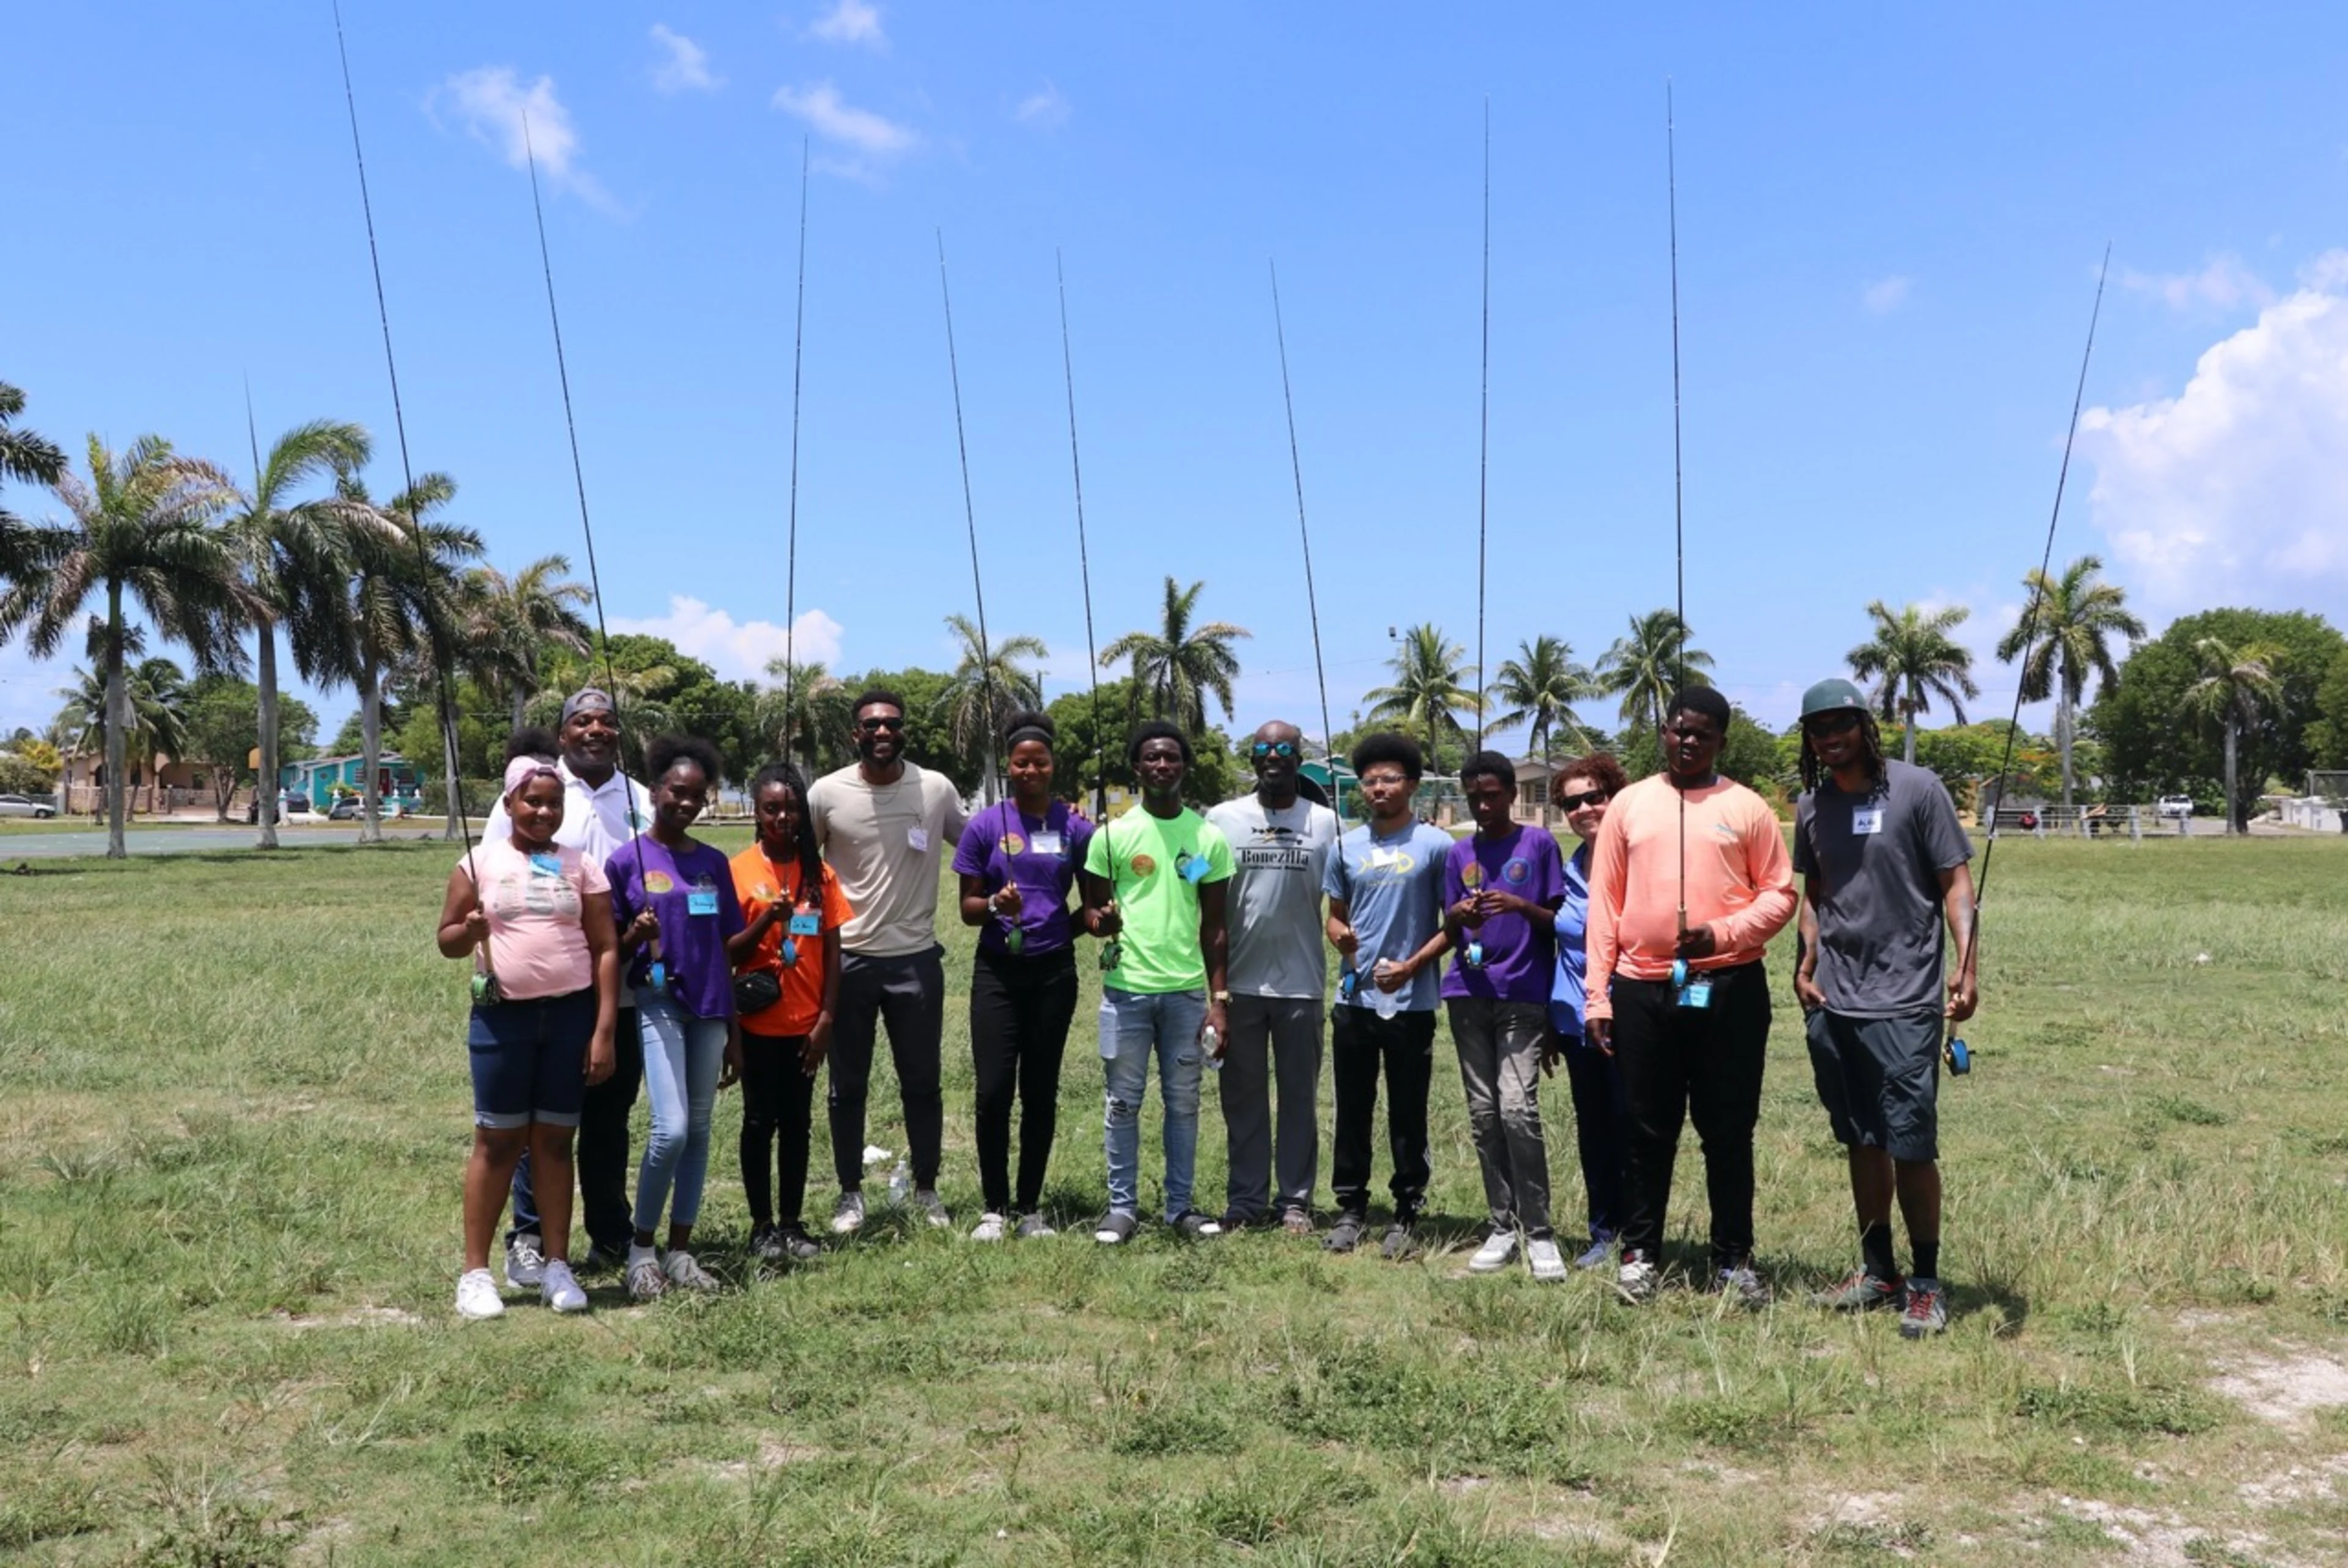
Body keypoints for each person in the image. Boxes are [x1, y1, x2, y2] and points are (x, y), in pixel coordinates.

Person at [1584, 685, 1796, 1306]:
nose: (1689, 741)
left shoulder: (1748, 807)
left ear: (1721, 741)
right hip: (1641, 987)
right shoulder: (1629, 805)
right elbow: (1605, 905)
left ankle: (1733, 1259)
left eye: (1703, 733)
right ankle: (1640, 1253)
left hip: (1728, 986)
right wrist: (1597, 995)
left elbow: (1781, 894)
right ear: (1664, 733)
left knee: (1728, 1130)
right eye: (1679, 730)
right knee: (1645, 1129)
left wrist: (1722, 933)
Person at [1792, 678, 1978, 1338]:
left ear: (1865, 726)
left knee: (1910, 1143)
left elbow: (1956, 883)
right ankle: (1879, 1272)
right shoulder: (1811, 806)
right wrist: (1805, 962)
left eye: (1841, 723)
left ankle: (1925, 1282)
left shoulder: (1918, 789)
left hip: (1905, 997)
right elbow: (1815, 891)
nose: (1830, 737)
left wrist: (1967, 964)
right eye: (1818, 728)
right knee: (1861, 1138)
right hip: (1834, 999)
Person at [435, 754, 621, 1319]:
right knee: (497, 1141)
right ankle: (475, 1274)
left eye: (553, 803)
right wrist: (469, 931)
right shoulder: (478, 862)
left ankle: (557, 1265)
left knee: (555, 1141)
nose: (544, 812)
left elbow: (605, 947)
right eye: (532, 801)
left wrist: (604, 1029)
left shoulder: (582, 865)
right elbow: (447, 940)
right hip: (503, 1019)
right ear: (509, 803)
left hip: (569, 1018)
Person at [483, 692, 654, 1287]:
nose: (596, 730)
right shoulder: (535, 790)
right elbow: (488, 876)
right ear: (562, 735)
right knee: (542, 1122)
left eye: (607, 721)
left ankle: (610, 1232)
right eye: (582, 721)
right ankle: (528, 1238)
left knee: (610, 1118)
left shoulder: (641, 799)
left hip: (622, 988)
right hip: (548, 991)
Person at [808, 690, 970, 1232]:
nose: (883, 732)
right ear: (855, 733)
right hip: (848, 960)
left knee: (923, 1082)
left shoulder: (935, 788)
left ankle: (926, 1188)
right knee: (846, 1085)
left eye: (892, 724)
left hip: (915, 960)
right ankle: (850, 1193)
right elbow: (802, 867)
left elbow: (975, 843)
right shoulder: (827, 792)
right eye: (872, 725)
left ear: (904, 731)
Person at [1079, 720, 1234, 1243]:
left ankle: (1180, 1207)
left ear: (1184, 766)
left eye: (1171, 757)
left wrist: (1219, 1000)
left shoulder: (1207, 837)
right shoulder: (1111, 836)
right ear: (1137, 768)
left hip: (1186, 993)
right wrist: (1103, 920)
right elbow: (1093, 913)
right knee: (1122, 1101)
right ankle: (1121, 1208)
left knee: (1184, 1103)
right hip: (1126, 991)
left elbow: (1216, 927)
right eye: (1151, 757)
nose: (1162, 765)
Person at [606, 736, 745, 1301]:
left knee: (701, 1131)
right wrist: (633, 934)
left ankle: (681, 1252)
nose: (686, 802)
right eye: (676, 791)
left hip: (711, 1005)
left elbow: (727, 946)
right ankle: (641, 1252)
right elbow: (609, 948)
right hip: (659, 1000)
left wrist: (735, 1032)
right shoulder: (626, 860)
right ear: (654, 789)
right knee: (672, 1129)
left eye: (697, 795)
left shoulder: (713, 862)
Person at [952, 712, 1095, 1240]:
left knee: (1040, 1090)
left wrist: (1064, 929)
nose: (1030, 770)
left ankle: (1030, 1207)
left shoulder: (1076, 827)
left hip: (1054, 973)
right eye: (1020, 762)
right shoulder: (985, 825)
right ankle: (994, 1206)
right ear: (1008, 766)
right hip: (997, 971)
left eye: (1040, 761)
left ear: (1054, 765)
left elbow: (1093, 905)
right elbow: (967, 909)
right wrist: (996, 903)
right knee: (993, 1091)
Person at [1321, 732, 1453, 1259]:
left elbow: (1454, 924)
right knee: (1352, 1107)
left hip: (1412, 1001)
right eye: (1370, 780)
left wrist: (1413, 966)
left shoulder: (1436, 845)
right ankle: (1351, 1206)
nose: (1379, 788)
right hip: (1354, 1000)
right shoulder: (1344, 846)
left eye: (1390, 779)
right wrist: (1340, 937)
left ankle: (1407, 1209)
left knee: (1408, 1108)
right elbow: (1334, 916)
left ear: (1412, 785)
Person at [1207, 720, 1340, 1234]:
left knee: (1299, 1099)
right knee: (1242, 1099)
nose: (1273, 755)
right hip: (1239, 984)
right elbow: (1200, 893)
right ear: (1253, 756)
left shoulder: (1326, 823)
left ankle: (1294, 1201)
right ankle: (1245, 1199)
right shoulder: (1222, 818)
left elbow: (1345, 900)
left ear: (1298, 757)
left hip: (1302, 983)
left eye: (1284, 747)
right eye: (1263, 747)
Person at [1442, 751, 1570, 1281]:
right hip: (1468, 992)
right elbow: (1449, 926)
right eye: (1474, 796)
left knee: (1517, 1108)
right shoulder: (1459, 852)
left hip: (1523, 993)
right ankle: (1502, 1225)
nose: (1483, 805)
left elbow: (1559, 921)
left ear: (1513, 793)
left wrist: (1520, 907)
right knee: (1484, 1113)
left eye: (1492, 795)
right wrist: (1459, 913)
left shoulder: (1539, 844)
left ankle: (1539, 1231)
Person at [728, 760, 854, 1266]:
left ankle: (792, 1222)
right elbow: (729, 952)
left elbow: (833, 953)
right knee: (759, 1121)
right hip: (757, 1024)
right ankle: (761, 1225)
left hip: (805, 1027)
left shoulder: (820, 874)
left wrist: (826, 1020)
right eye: (771, 808)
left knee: (798, 1123)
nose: (783, 817)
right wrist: (768, 920)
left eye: (792, 808)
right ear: (757, 814)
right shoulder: (739, 870)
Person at [1548, 752, 1633, 1271]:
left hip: (1629, 1020)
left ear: (1616, 797)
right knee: (1594, 1130)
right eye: (1571, 803)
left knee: (1631, 1128)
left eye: (1593, 797)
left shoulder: (1638, 861)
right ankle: (1603, 1232)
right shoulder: (1567, 870)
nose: (1583, 809)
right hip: (1574, 1021)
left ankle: (1640, 1236)